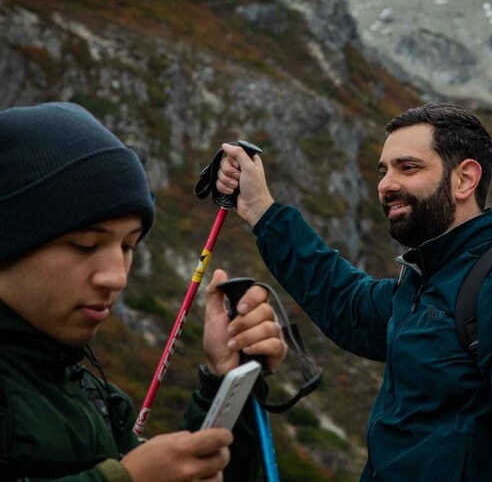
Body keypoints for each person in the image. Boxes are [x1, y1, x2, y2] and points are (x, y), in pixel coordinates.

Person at [216, 102, 492, 481]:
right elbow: (346, 303)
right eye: (384, 170)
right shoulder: (427, 283)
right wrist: (261, 209)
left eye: (407, 167)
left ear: (465, 179)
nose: (386, 184)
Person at [0, 102, 287, 481]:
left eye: (128, 246)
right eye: (85, 245)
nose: (116, 276)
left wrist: (228, 381)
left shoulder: (92, 395)